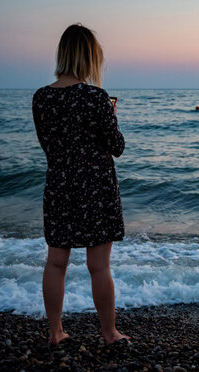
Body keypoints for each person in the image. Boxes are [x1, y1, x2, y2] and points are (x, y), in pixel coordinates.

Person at [32, 24, 129, 345]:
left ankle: (55, 332)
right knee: (98, 266)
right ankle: (108, 332)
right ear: (90, 58)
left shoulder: (42, 98)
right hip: (96, 189)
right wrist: (111, 116)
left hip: (59, 186)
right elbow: (116, 146)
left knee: (56, 262)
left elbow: (49, 145)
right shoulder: (96, 98)